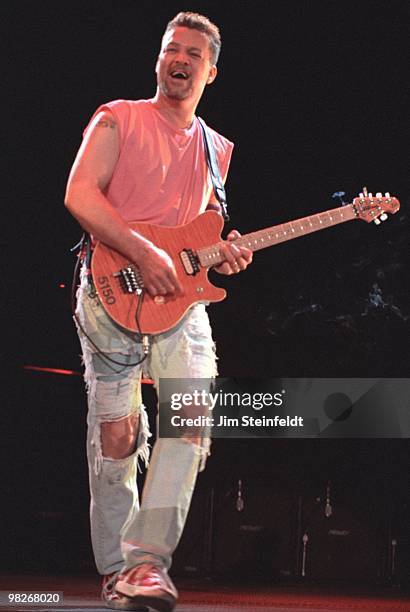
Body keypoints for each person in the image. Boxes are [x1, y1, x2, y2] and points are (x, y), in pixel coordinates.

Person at [65, 11, 252, 612]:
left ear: (211, 71)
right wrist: (140, 251)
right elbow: (79, 194)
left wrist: (219, 259)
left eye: (193, 54)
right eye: (172, 49)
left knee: (190, 420)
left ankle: (146, 565)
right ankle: (115, 569)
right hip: (112, 288)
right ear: (158, 60)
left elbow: (192, 236)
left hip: (179, 301)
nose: (180, 59)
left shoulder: (217, 150)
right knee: (118, 437)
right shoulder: (117, 117)